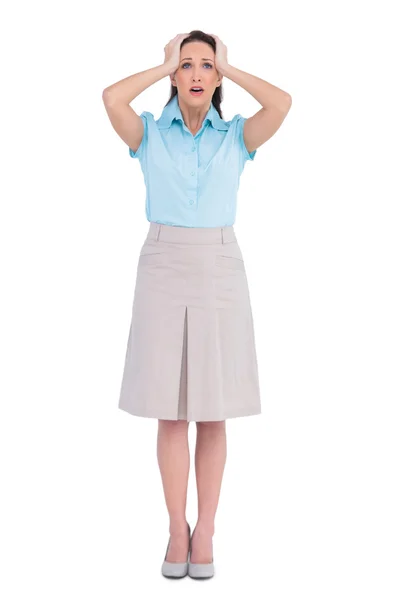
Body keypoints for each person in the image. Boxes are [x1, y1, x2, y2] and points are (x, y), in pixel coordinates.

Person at [102, 29, 291, 580]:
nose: (196, 74)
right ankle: (174, 525)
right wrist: (162, 65)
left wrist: (229, 67)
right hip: (162, 264)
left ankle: (206, 530)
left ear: (216, 76)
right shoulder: (148, 134)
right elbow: (112, 99)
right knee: (170, 408)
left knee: (212, 408)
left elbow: (282, 103)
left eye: (205, 66)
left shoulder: (236, 137)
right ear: (174, 75)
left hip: (219, 267)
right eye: (187, 65)